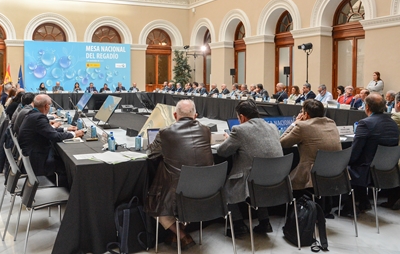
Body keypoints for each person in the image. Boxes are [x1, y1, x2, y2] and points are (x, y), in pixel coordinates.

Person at [145, 100, 212, 249]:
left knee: (155, 205)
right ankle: (177, 233)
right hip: (207, 191)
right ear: (195, 115)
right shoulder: (206, 130)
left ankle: (182, 235)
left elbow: (150, 153)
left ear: (175, 115)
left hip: (178, 193)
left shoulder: (166, 133)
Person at [217, 99, 283, 235]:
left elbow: (222, 152)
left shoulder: (239, 130)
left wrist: (228, 139)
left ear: (242, 117)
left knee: (226, 187)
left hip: (251, 181)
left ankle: (238, 224)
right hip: (276, 179)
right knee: (259, 179)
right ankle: (265, 222)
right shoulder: (273, 127)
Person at [344, 93, 399, 216]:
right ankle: (364, 202)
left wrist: (345, 162)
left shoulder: (365, 123)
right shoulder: (393, 123)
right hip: (388, 169)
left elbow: (355, 151)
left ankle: (349, 207)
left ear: (367, 107)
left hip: (368, 172)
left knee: (345, 168)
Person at [18, 94, 84, 182]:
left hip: (32, 152)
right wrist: (74, 134)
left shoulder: (33, 114)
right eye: (50, 105)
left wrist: (66, 129)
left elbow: (47, 131)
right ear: (46, 106)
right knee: (65, 165)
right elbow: (54, 136)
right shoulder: (38, 117)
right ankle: (65, 189)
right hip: (37, 158)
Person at [280, 100, 341, 191]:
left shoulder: (302, 126)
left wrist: (295, 123)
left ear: (306, 114)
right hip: (336, 171)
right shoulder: (331, 122)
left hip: (311, 175)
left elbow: (282, 142)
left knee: (283, 181)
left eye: (302, 111)